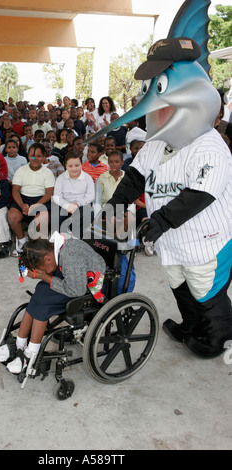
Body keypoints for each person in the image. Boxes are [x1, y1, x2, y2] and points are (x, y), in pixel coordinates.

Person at [105, 36, 232, 358]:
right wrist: (111, 208)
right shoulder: (158, 141)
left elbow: (200, 193)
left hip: (207, 239)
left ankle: (217, 337)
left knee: (206, 290)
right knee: (179, 285)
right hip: (171, 239)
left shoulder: (210, 145)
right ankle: (192, 326)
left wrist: (160, 219)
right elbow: (135, 175)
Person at [0, 233, 106, 374]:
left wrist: (45, 276)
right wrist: (42, 275)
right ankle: (19, 345)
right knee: (40, 292)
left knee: (44, 302)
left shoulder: (69, 255)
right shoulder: (52, 248)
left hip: (88, 286)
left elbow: (76, 290)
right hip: (73, 275)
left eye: (42, 267)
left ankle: (31, 354)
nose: (42, 271)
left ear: (47, 258)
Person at [7, 143, 55, 256]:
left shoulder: (47, 173)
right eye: (32, 156)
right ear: (28, 156)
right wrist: (23, 205)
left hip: (41, 200)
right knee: (12, 216)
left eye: (39, 156)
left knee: (41, 220)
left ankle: (35, 244)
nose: (35, 159)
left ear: (44, 157)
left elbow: (49, 194)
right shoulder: (21, 170)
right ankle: (22, 241)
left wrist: (35, 206)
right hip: (22, 199)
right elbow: (15, 191)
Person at [52, 150, 95, 237]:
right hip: (65, 206)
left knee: (88, 213)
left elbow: (90, 196)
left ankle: (76, 237)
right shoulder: (61, 178)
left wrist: (77, 204)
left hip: (81, 206)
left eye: (77, 165)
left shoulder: (87, 178)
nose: (74, 169)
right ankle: (60, 239)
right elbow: (57, 197)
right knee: (56, 217)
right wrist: (67, 206)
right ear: (66, 166)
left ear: (82, 164)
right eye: (70, 166)